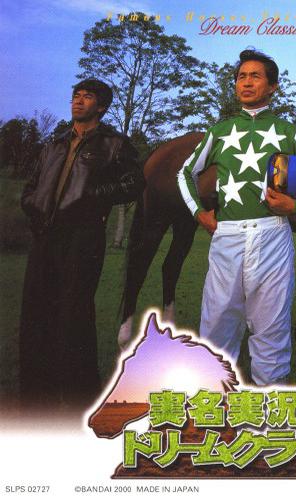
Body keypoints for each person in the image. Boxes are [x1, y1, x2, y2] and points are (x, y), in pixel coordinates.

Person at [178, 49, 296, 385]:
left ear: (273, 86)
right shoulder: (219, 131)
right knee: (216, 327)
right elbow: (184, 173)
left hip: (272, 234)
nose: (246, 82)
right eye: (241, 76)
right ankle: (216, 406)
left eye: (255, 76)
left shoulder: (289, 130)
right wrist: (198, 212)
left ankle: (269, 409)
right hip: (227, 236)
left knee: (271, 328)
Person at [19, 79, 145, 409]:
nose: (78, 101)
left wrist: (94, 198)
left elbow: (134, 183)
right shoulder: (55, 144)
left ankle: (80, 398)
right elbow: (31, 186)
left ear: (101, 107)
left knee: (74, 315)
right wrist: (33, 206)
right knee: (36, 314)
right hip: (44, 236)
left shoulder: (114, 144)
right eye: (76, 95)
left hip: (83, 238)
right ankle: (37, 395)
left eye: (87, 97)